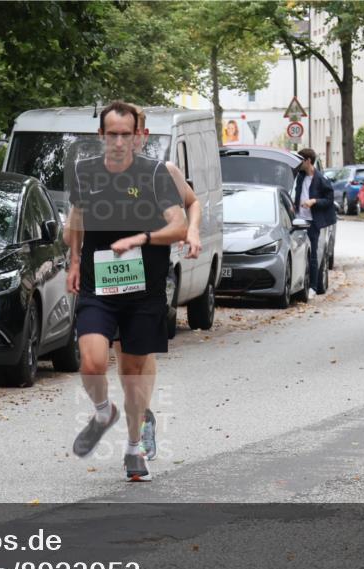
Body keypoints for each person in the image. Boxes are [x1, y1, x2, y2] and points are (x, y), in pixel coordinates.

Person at [65, 101, 188, 481]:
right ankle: (104, 410)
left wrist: (142, 236)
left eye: (126, 134)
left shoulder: (155, 174)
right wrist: (72, 260)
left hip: (143, 291)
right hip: (98, 286)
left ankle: (135, 448)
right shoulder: (84, 172)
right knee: (92, 361)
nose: (119, 141)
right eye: (112, 134)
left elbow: (179, 226)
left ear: (138, 136)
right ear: (101, 136)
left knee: (133, 375)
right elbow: (77, 218)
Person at [114, 104, 202, 462]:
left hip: (149, 271)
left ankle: (141, 421)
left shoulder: (162, 171)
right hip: (111, 270)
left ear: (142, 136)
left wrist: (192, 230)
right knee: (122, 354)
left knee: (142, 349)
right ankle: (142, 413)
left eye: (131, 134)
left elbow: (192, 202)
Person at [293, 147, 337, 297]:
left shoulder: (321, 179)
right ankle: (299, 285)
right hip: (298, 221)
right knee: (298, 254)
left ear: (308, 161)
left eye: (301, 161)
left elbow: (329, 200)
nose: (299, 164)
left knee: (312, 255)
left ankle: (313, 287)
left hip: (312, 222)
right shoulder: (299, 176)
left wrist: (314, 201)